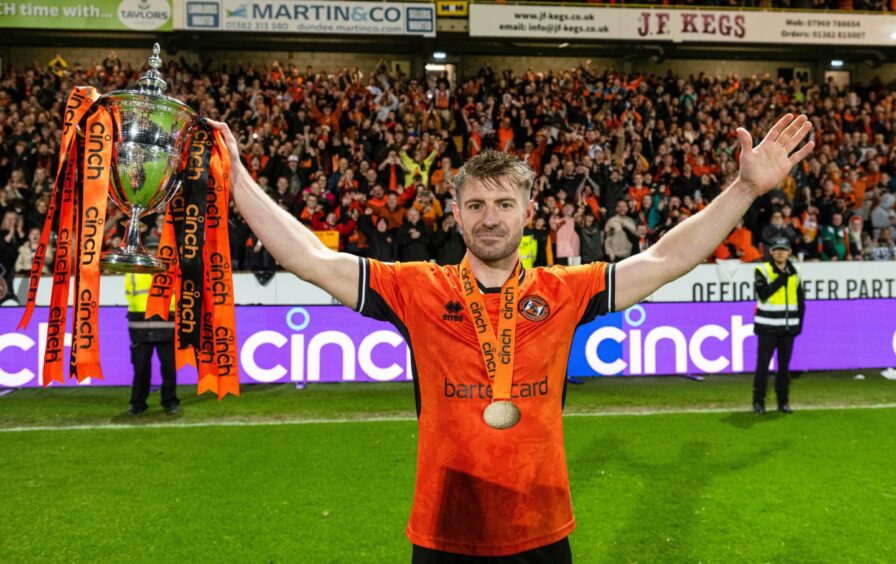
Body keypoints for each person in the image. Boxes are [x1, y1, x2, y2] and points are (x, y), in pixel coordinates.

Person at [209, 113, 813, 563]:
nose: (490, 217)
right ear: (456, 214)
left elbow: (661, 261)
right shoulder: (418, 288)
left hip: (542, 532)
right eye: (475, 204)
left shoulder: (563, 290)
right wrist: (235, 179)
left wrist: (745, 189)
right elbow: (312, 258)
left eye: (503, 203)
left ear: (529, 211)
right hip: (444, 532)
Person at [752, 237, 806, 415]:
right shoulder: (763, 270)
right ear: (771, 252)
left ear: (789, 252)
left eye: (783, 249)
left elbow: (800, 301)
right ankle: (758, 402)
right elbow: (763, 294)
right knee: (763, 367)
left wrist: (799, 324)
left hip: (787, 329)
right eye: (776, 249)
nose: (780, 253)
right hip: (767, 327)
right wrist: (781, 279)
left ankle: (783, 402)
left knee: (784, 368)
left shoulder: (795, 272)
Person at [124, 242, 179, 416]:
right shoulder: (140, 268)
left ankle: (168, 402)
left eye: (157, 249)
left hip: (162, 323)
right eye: (151, 249)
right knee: (141, 369)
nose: (154, 252)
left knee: (168, 368)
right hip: (143, 326)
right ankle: (139, 404)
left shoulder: (169, 269)